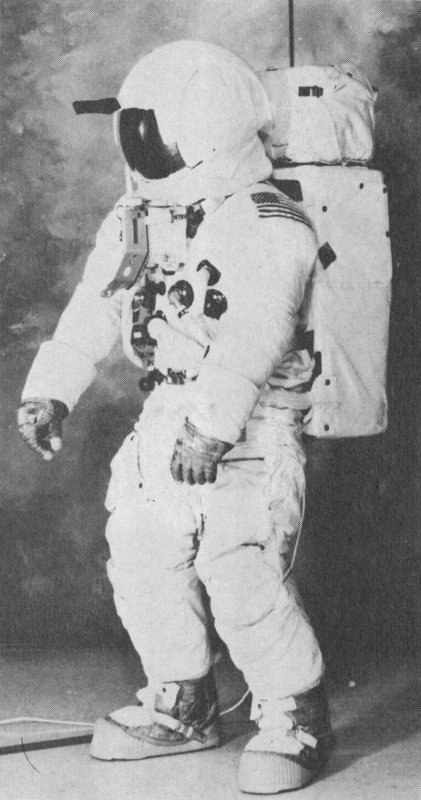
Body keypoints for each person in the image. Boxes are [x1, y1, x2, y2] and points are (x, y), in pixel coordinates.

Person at [17, 40, 332, 794]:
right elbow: (96, 305)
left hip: (251, 421)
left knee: (237, 561)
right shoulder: (140, 216)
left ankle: (295, 712)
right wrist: (51, 389)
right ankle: (183, 701)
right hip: (168, 403)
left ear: (205, 126)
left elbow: (256, 333)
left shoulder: (267, 219)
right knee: (140, 546)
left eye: (151, 129)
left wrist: (212, 425)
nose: (141, 144)